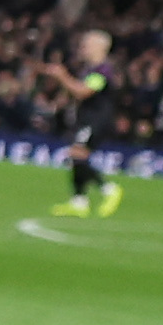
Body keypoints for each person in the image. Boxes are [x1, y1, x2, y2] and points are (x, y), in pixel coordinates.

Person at [57, 44, 127, 218]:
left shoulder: (102, 71)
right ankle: (79, 202)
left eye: (87, 44)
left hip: (96, 121)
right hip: (87, 119)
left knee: (77, 154)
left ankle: (108, 189)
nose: (83, 48)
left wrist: (62, 76)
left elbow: (83, 92)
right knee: (77, 156)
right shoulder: (92, 69)